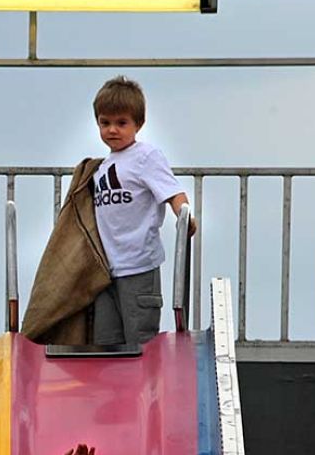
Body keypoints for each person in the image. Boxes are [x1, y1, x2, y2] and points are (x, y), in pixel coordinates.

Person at [21, 76, 198, 346]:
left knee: (139, 342)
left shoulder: (146, 157)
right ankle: (113, 389)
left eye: (121, 123)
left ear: (138, 124)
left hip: (139, 266)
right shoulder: (101, 168)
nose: (112, 130)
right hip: (104, 271)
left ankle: (145, 388)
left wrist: (184, 215)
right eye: (105, 123)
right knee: (106, 343)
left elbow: (171, 190)